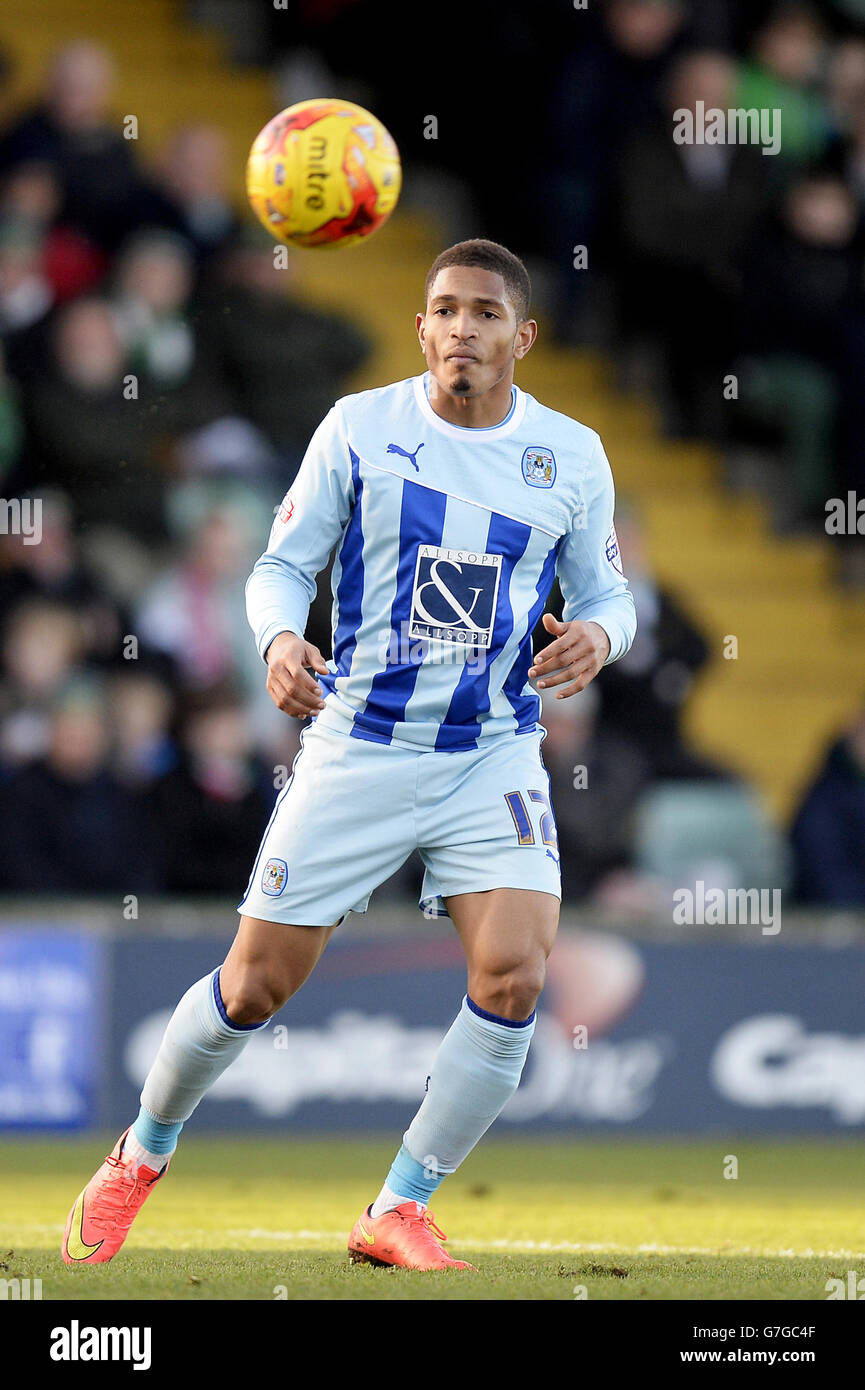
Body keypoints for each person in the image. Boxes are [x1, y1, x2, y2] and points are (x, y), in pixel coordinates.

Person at [61, 239, 636, 1273]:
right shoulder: (358, 429)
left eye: (485, 313)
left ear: (523, 335)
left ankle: (398, 1205)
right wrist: (281, 640)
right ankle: (141, 1153)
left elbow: (605, 593)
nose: (463, 327)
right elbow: (281, 563)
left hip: (489, 752)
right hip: (357, 745)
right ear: (421, 326)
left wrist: (603, 634)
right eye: (445, 309)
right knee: (253, 986)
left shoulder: (572, 455)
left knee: (513, 975)